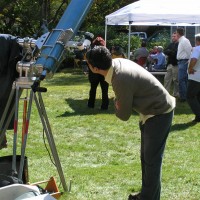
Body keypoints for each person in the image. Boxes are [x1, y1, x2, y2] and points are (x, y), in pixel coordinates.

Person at [86, 46, 176, 200]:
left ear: (94, 68)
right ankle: (146, 195)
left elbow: (123, 114)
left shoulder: (120, 78)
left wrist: (117, 102)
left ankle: (149, 198)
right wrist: (120, 101)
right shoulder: (118, 63)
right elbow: (124, 103)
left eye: (87, 63)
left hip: (158, 113)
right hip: (150, 113)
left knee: (152, 161)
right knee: (147, 159)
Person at [87, 37, 109, 110]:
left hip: (94, 73)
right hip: (104, 72)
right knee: (105, 90)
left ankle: (91, 104)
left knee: (93, 89)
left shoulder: (91, 51)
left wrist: (92, 69)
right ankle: (105, 106)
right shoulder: (106, 51)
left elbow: (88, 61)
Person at [176, 27, 192, 102]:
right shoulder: (182, 41)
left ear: (178, 33)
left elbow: (189, 51)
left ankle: (184, 97)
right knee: (183, 80)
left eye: (176, 33)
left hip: (183, 61)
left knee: (181, 80)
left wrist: (189, 60)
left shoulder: (184, 41)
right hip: (182, 62)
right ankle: (185, 96)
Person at [187, 34, 200, 123]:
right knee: (198, 96)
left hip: (196, 76)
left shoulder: (197, 48)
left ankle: (199, 115)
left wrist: (190, 68)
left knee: (190, 96)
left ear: (196, 41)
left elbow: (194, 59)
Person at [164, 32, 179, 97]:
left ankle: (176, 93)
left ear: (178, 37)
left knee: (176, 80)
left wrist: (169, 51)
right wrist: (171, 51)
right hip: (169, 64)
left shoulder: (180, 44)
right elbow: (165, 51)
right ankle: (165, 92)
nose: (173, 37)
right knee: (166, 78)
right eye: (172, 36)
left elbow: (176, 53)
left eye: (174, 36)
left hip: (176, 64)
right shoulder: (170, 44)